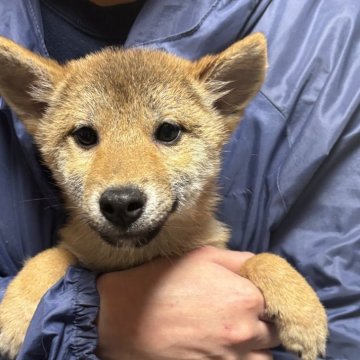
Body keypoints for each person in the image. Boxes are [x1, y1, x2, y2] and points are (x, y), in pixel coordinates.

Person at [0, 0, 359, 359]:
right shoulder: (65, 257)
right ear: (38, 113)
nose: (122, 181)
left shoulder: (330, 28)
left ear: (223, 108)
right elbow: (65, 258)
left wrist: (268, 271)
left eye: (168, 132)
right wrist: (51, 295)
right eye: (86, 137)